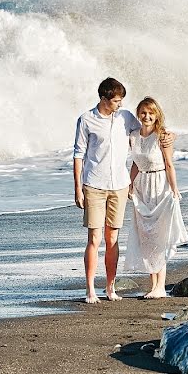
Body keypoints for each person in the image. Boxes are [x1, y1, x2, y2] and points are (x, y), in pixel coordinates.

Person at [73, 78, 141, 304]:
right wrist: (78, 189)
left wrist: (168, 136)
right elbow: (78, 155)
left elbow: (146, 133)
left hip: (119, 185)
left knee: (112, 238)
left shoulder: (125, 117)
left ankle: (110, 288)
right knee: (94, 237)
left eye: (121, 101)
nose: (119, 105)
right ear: (104, 99)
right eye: (116, 101)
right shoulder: (86, 120)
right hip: (94, 185)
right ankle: (90, 289)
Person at [124, 97, 188, 298]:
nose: (147, 116)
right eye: (143, 113)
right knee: (146, 236)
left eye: (151, 113)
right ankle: (153, 285)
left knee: (160, 235)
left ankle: (160, 286)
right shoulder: (134, 136)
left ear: (157, 114)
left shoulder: (163, 136)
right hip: (142, 186)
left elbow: (169, 164)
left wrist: (174, 189)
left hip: (160, 185)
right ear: (138, 114)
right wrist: (129, 184)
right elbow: (135, 163)